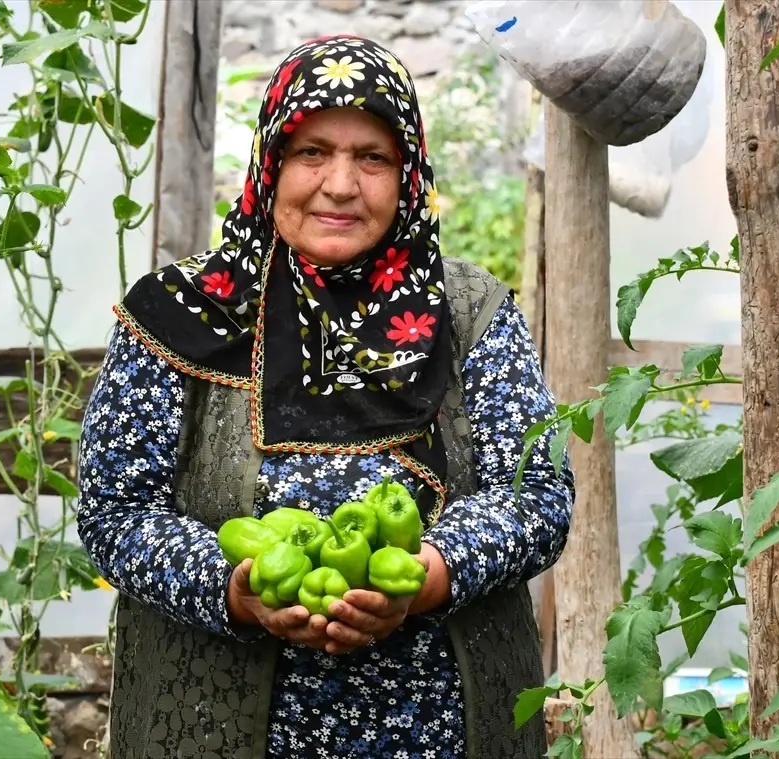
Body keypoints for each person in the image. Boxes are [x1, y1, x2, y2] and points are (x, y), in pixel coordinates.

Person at [77, 35, 574, 759]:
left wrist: (429, 575)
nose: (340, 184)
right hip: (210, 725)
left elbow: (539, 493)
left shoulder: (470, 315)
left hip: (443, 734)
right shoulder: (179, 315)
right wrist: (232, 590)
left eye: (372, 157)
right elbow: (114, 511)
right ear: (271, 164)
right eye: (313, 152)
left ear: (407, 174)